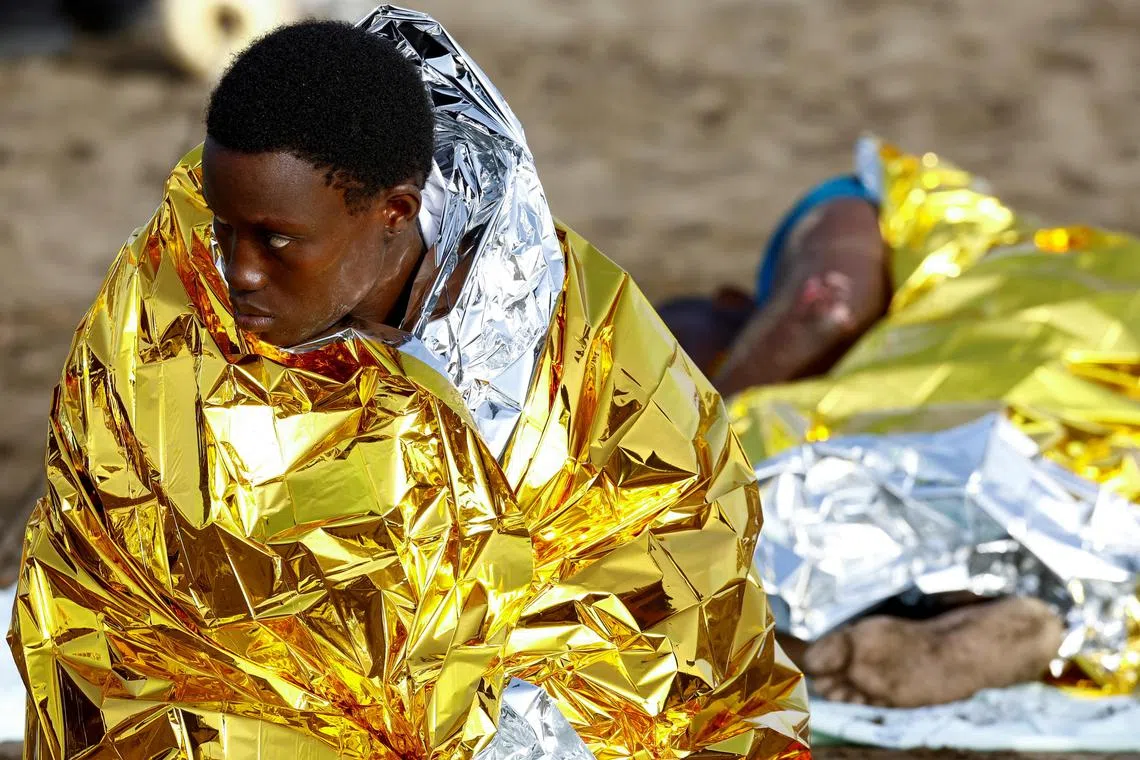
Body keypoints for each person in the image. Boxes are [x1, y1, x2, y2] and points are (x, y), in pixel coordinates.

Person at [7, 10, 809, 760]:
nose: (236, 271)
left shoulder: (579, 361)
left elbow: (673, 621)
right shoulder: (180, 273)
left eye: (278, 242)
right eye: (226, 227)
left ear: (395, 212)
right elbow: (103, 561)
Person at [660, 137, 1140, 708]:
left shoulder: (868, 202)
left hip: (1045, 413)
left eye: (682, 367)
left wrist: (697, 436)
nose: (673, 396)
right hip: (1094, 462)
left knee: (724, 501)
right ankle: (995, 623)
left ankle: (854, 646)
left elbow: (823, 308)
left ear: (733, 304)